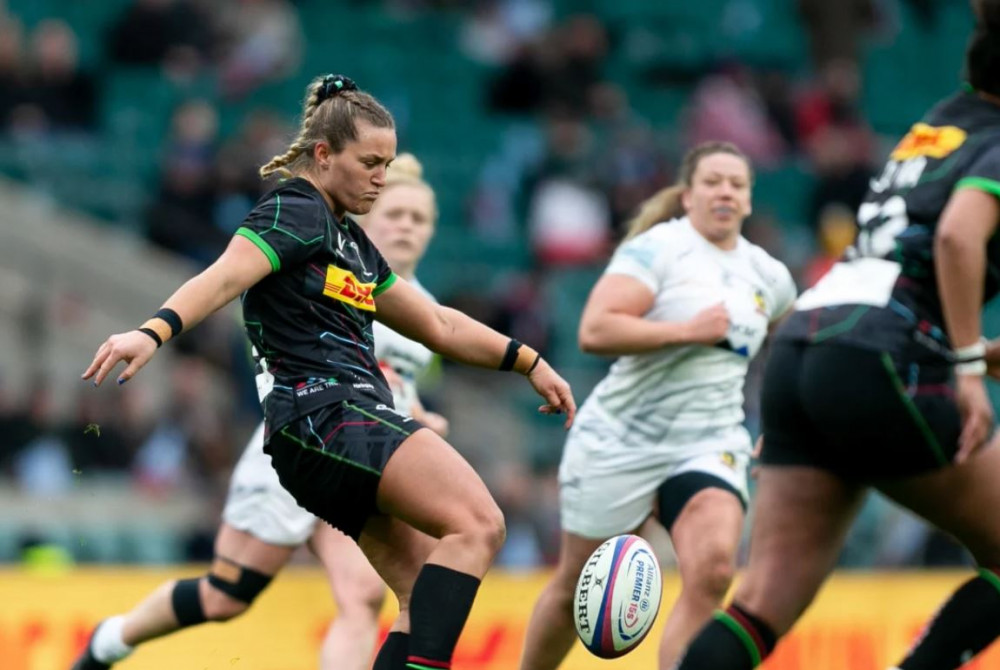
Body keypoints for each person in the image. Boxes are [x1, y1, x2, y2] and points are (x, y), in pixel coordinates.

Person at [81, 74, 576, 670]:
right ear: (323, 154)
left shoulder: (352, 244)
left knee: (419, 592)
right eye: (369, 162)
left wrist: (529, 361)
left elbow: (439, 326)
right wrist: (152, 330)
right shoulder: (297, 208)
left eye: (387, 164)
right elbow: (225, 276)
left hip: (322, 435)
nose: (381, 179)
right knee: (479, 523)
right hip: (328, 416)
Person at [676, 3, 1000, 669]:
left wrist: (969, 349)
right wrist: (967, 365)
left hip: (807, 346)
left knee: (761, 604)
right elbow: (957, 235)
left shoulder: (940, 122)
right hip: (882, 356)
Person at [71, 152, 448, 670]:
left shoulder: (422, 308)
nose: (406, 226)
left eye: (419, 218)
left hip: (362, 456)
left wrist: (418, 414)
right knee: (226, 594)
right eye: (396, 214)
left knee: (363, 598)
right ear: (366, 217)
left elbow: (390, 382)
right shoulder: (331, 272)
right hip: (299, 446)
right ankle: (110, 640)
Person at [519, 141, 796, 670]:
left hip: (709, 440)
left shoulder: (769, 275)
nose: (725, 192)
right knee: (574, 582)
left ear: (750, 200)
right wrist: (686, 331)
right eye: (713, 181)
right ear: (688, 195)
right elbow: (595, 329)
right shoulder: (658, 250)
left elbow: (793, 350)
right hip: (622, 437)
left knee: (714, 571)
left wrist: (784, 420)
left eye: (737, 184)